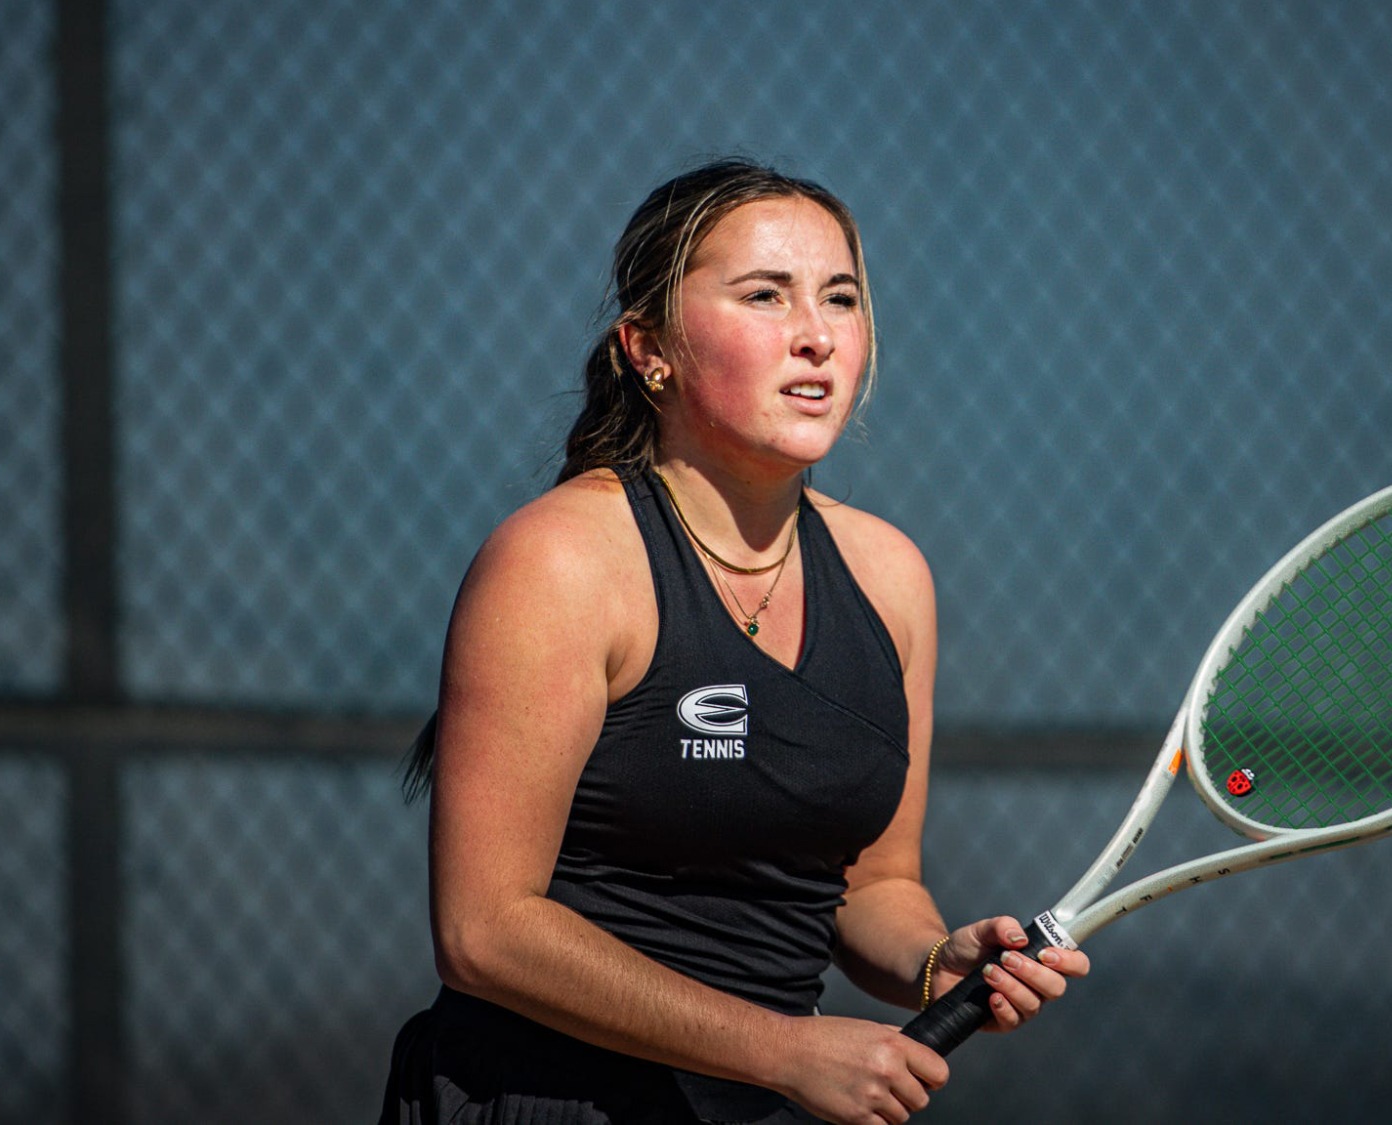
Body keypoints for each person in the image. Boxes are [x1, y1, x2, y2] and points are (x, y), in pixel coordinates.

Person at [381, 159, 1088, 1125]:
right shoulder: (559, 562)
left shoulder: (892, 579)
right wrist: (785, 1050)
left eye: (841, 298)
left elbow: (872, 882)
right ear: (648, 349)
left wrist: (935, 959)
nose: (816, 337)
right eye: (764, 295)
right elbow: (484, 931)